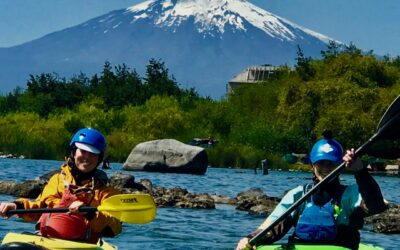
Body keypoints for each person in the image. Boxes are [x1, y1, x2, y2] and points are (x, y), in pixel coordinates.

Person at [236, 132, 387, 250]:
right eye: (321, 164)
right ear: (312, 166)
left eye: (331, 164)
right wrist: (249, 238)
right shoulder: (298, 195)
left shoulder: (351, 195)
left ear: (340, 166)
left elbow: (376, 205)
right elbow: (273, 227)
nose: (326, 169)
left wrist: (360, 171)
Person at [0, 128, 122, 243]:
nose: (87, 157)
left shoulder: (106, 192)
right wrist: (16, 205)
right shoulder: (57, 180)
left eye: (93, 154)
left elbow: (114, 228)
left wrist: (89, 213)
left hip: (82, 246)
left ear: (99, 159)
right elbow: (38, 208)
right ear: (73, 152)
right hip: (47, 241)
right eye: (83, 151)